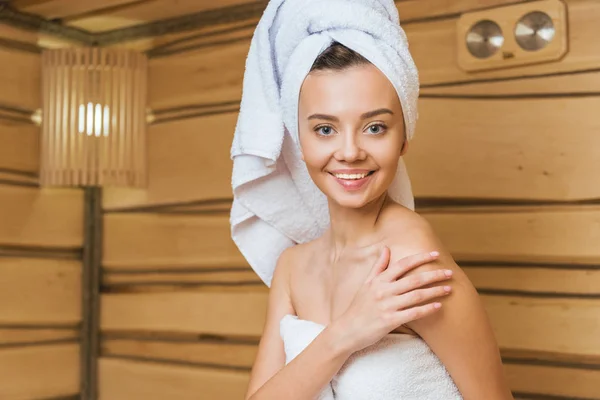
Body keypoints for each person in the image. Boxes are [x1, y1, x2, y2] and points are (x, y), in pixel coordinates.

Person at [230, 1, 514, 399]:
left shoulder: (412, 262)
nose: (349, 152)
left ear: (403, 138)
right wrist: (346, 333)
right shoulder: (292, 267)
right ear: (298, 141)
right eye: (325, 129)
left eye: (375, 127)